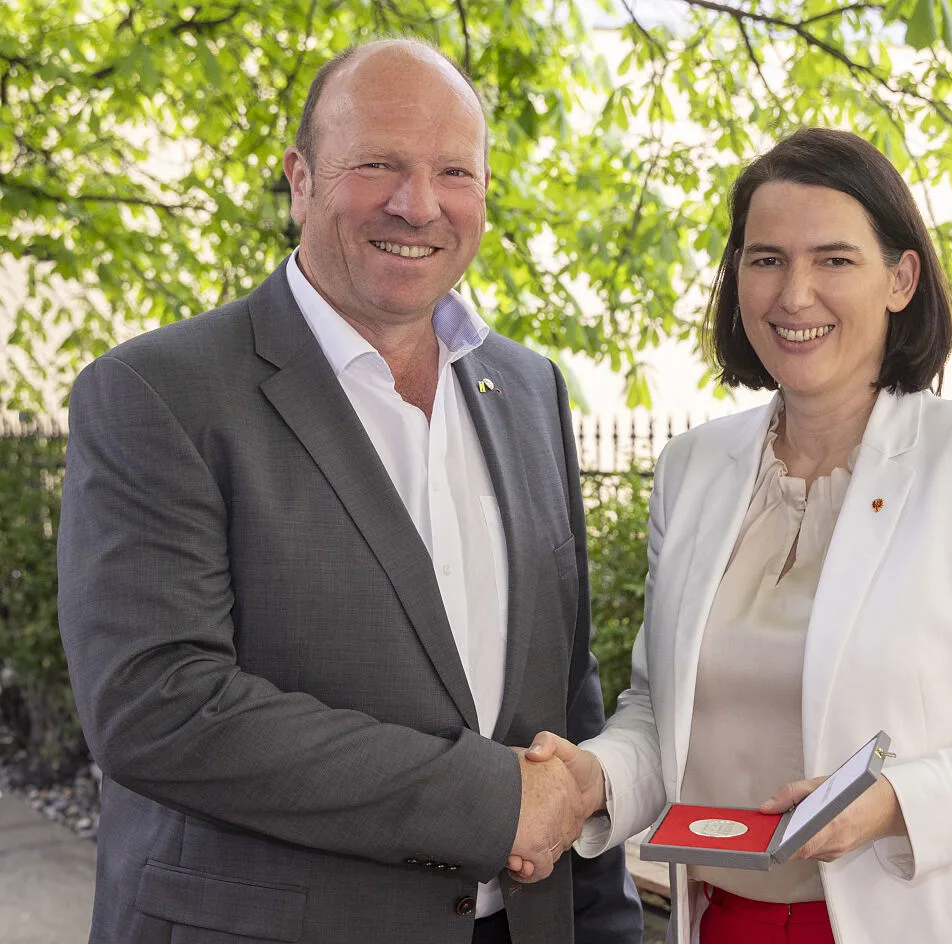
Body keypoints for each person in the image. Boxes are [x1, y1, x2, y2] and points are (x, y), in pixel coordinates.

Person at [56, 38, 641, 944]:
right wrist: (492, 800)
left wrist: (603, 923)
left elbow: (566, 692)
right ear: (300, 178)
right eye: (378, 165)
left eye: (455, 171)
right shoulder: (158, 392)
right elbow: (158, 705)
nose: (419, 204)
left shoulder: (529, 390)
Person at [518, 128, 952, 943]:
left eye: (834, 260)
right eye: (765, 258)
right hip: (729, 921)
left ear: (900, 278)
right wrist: (589, 778)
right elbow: (660, 715)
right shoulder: (692, 468)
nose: (793, 294)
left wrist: (896, 804)